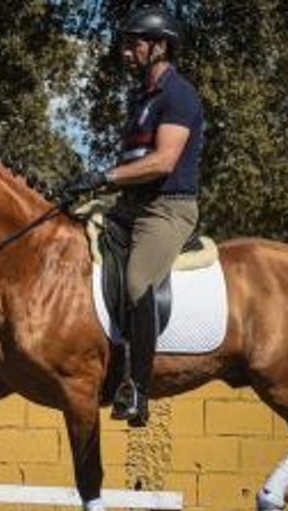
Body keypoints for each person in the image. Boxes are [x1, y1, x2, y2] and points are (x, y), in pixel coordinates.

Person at [63, 2, 204, 427]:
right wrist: (94, 190)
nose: (126, 50)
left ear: (160, 46)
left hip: (167, 209)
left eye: (134, 43)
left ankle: (138, 389)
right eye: (125, 42)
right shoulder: (141, 97)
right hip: (130, 206)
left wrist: (103, 175)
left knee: (138, 281)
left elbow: (162, 162)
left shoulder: (179, 95)